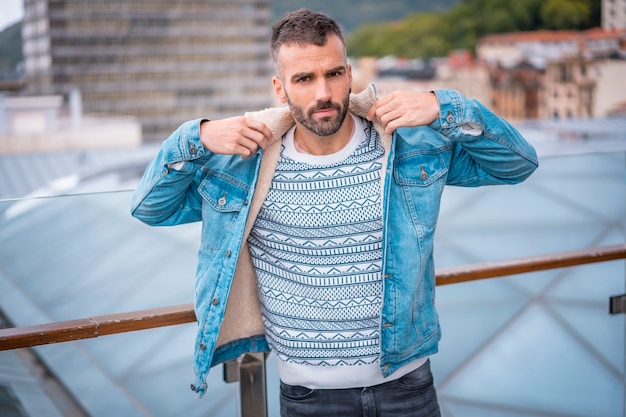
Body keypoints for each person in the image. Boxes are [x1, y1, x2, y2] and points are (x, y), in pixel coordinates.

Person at [131, 8, 538, 417]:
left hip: (407, 389)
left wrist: (444, 107)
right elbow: (150, 208)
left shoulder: (408, 144)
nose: (322, 93)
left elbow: (516, 164)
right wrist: (195, 136)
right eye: (304, 79)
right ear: (280, 88)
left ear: (349, 73)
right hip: (308, 399)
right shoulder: (243, 163)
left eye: (333, 74)